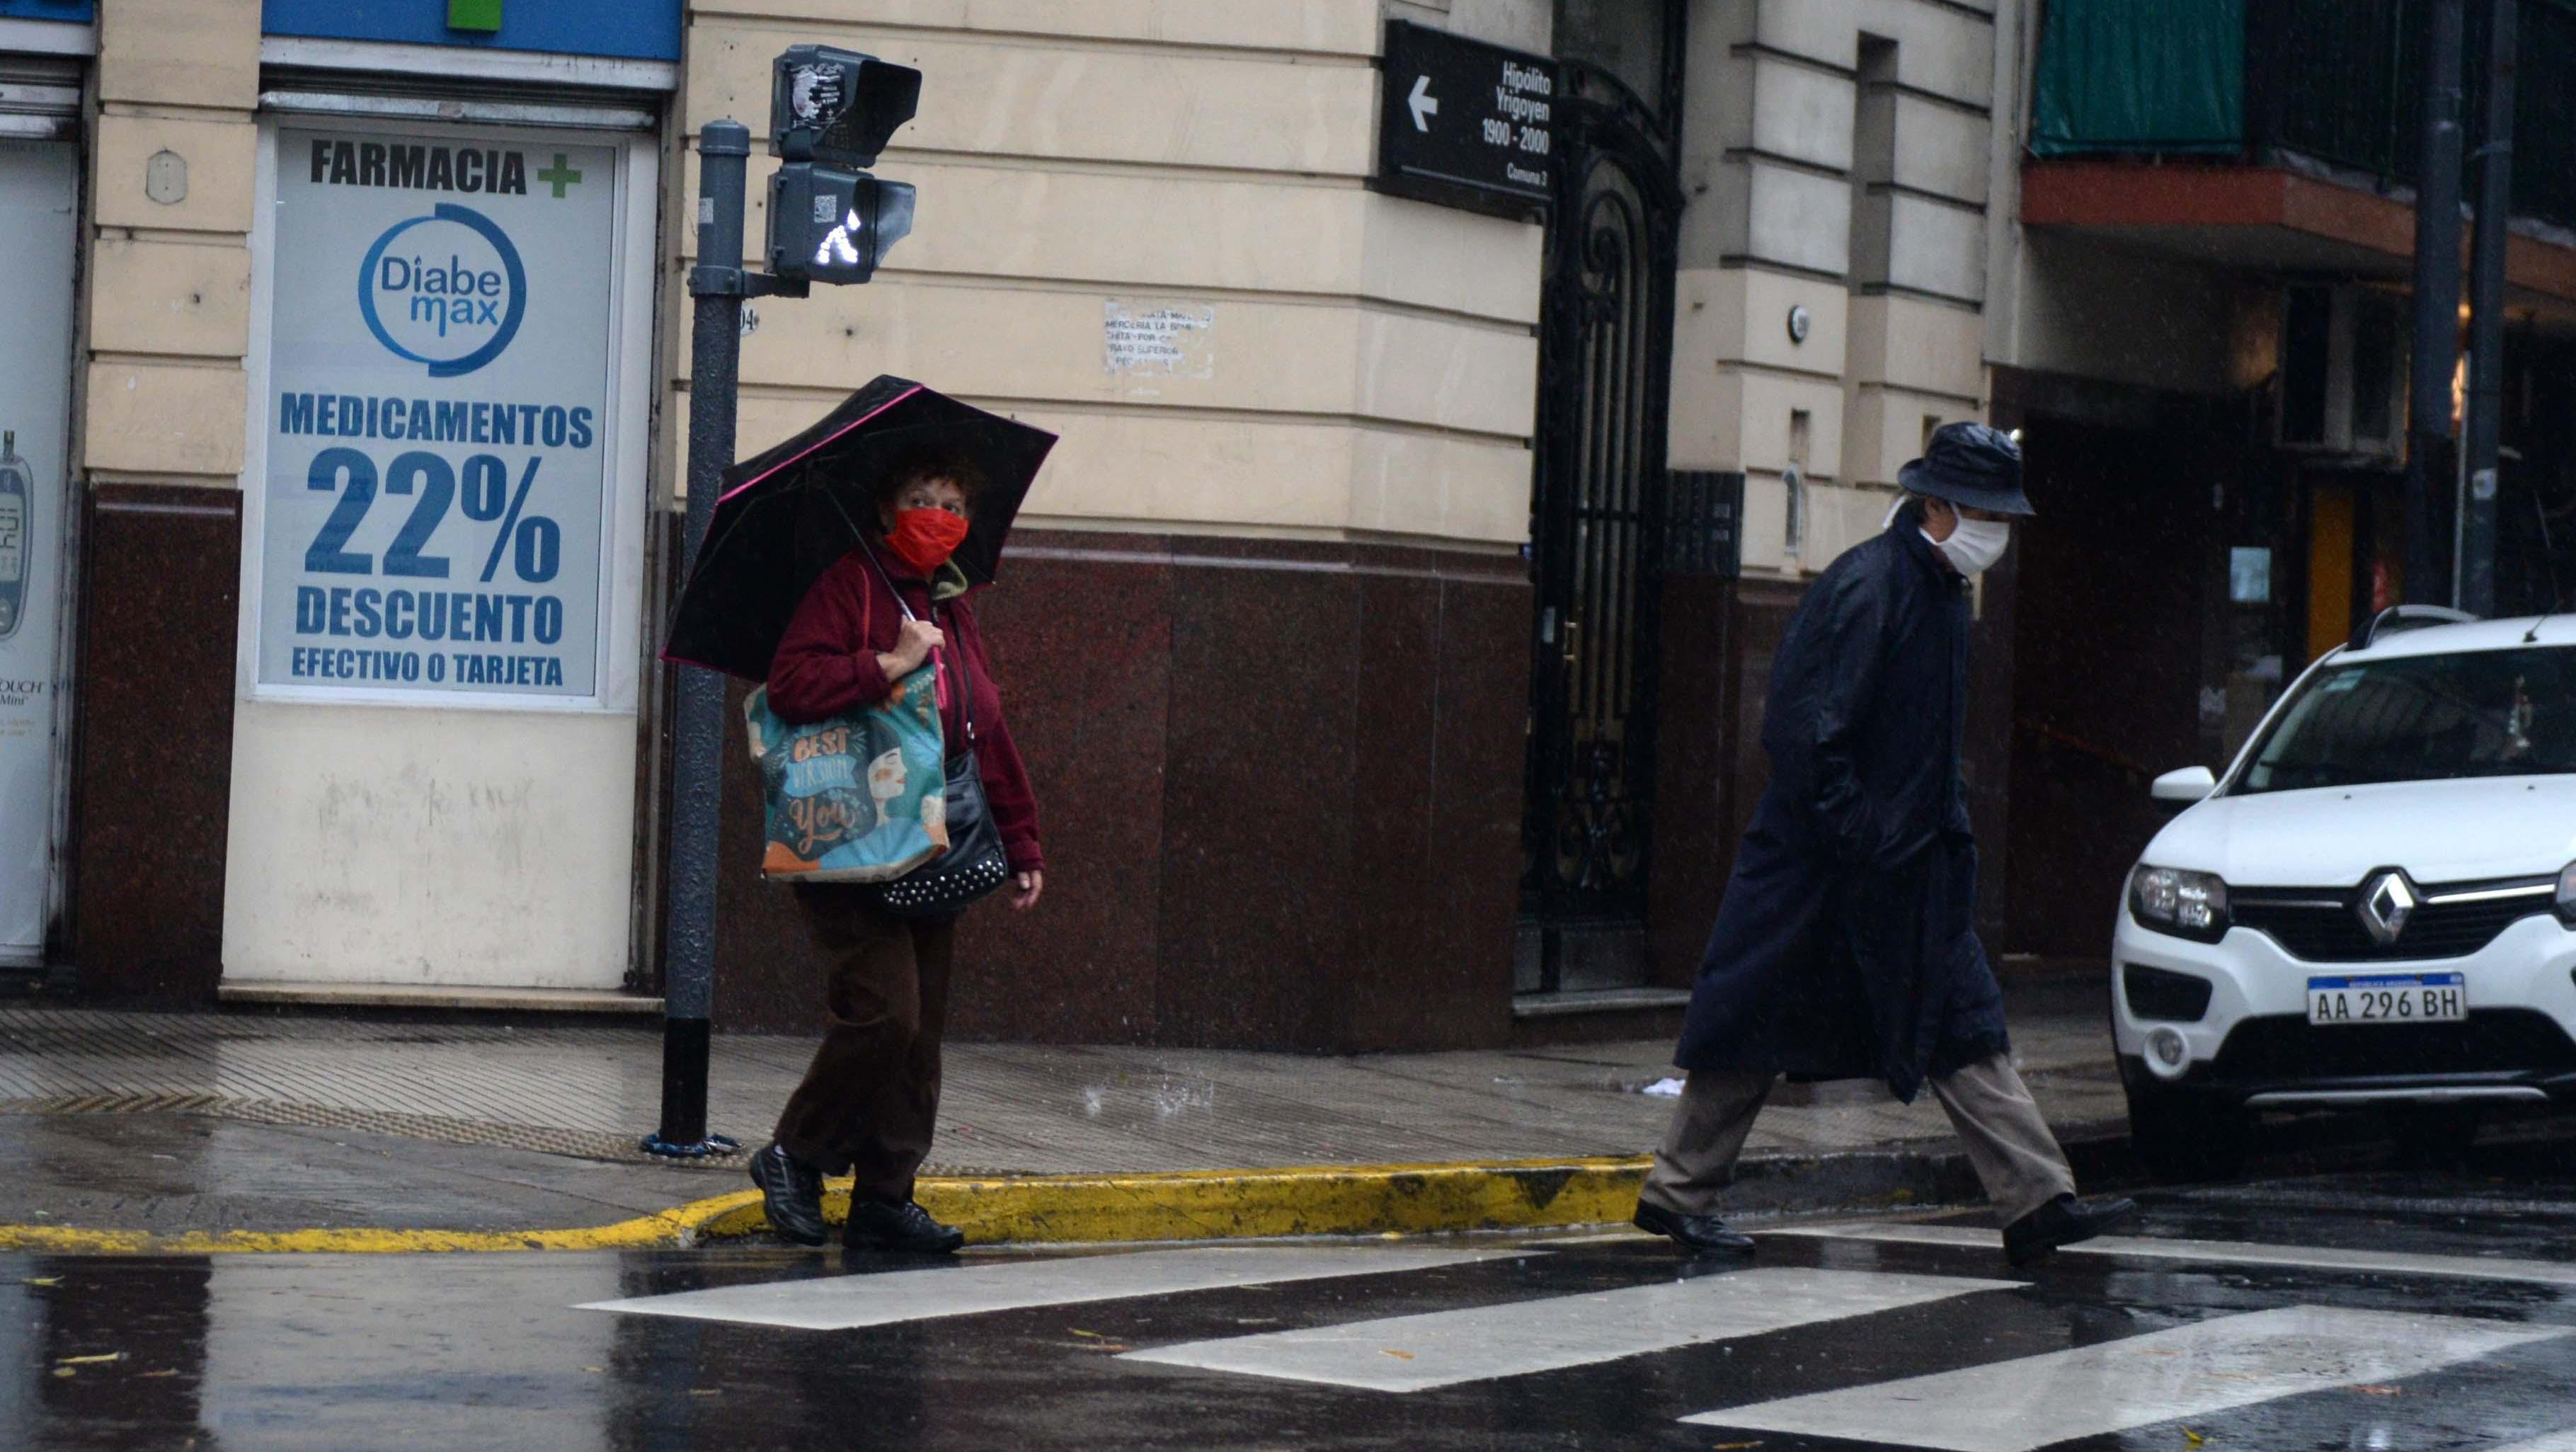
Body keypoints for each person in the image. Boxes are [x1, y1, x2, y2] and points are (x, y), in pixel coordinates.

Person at [1631, 423, 2134, 1268]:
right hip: (1825, 865)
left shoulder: (1932, 589)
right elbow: (1804, 735)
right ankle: (1678, 1193)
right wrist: (1863, 832)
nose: (1997, 533)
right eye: (1985, 512)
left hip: (1899, 865)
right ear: (1935, 506)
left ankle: (2039, 1197)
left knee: (1964, 1023)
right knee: (1754, 1022)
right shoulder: (1872, 586)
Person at [746, 453, 1045, 1254]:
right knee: (885, 1013)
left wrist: (1021, 838)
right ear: (887, 510)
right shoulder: (851, 585)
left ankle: (884, 1194)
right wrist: (890, 663)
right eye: (920, 498)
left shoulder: (951, 602)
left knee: (920, 1037)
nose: (937, 515)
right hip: (851, 837)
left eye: (951, 503)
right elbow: (790, 686)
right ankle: (796, 1153)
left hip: (934, 839)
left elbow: (983, 724)